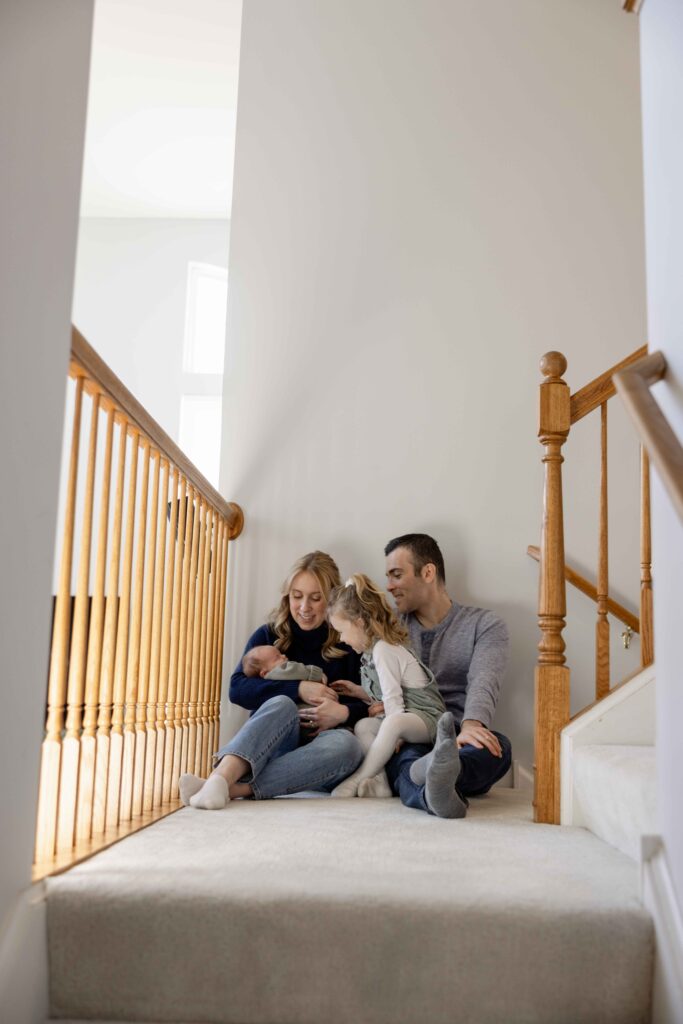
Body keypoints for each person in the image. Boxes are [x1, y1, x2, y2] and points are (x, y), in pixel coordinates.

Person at [179, 551, 365, 810]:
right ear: (287, 596)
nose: (304, 608)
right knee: (282, 703)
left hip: (319, 758)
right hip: (273, 745)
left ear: (331, 599)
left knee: (349, 746)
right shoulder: (269, 635)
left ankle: (230, 788)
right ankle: (220, 777)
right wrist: (298, 688)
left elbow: (371, 700)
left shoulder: (348, 640)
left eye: (315, 598)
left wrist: (343, 712)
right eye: (297, 596)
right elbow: (237, 689)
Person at [383, 533, 512, 818]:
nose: (389, 586)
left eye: (396, 575)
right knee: (403, 759)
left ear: (428, 572)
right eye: (388, 577)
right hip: (413, 734)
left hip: (459, 733)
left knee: (497, 747)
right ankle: (435, 790)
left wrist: (472, 726)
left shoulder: (484, 624)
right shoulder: (388, 626)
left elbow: (484, 680)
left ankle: (444, 773)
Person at [325, 573, 446, 800]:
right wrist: (359, 692)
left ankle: (358, 778)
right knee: (363, 726)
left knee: (392, 722)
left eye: (341, 631)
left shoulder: (384, 649)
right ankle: (379, 782)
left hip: (428, 718)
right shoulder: (370, 652)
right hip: (407, 716)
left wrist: (396, 734)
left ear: (359, 623)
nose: (340, 639)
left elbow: (393, 700)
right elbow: (385, 692)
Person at [242, 644, 328, 684]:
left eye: (280, 654)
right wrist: (316, 673)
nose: (283, 656)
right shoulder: (276, 674)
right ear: (264, 673)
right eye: (277, 657)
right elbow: (296, 670)